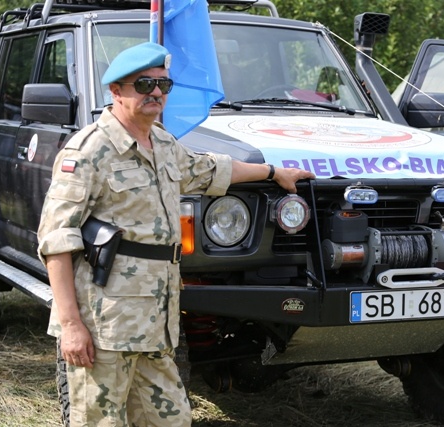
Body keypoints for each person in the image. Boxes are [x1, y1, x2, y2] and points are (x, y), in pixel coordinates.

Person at [37, 42, 314, 427]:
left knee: (172, 419)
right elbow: (56, 241)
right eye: (144, 84)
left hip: (157, 323)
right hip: (107, 326)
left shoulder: (164, 144)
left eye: (163, 86)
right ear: (116, 91)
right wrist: (70, 326)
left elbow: (210, 169)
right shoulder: (88, 151)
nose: (155, 93)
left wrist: (272, 172)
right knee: (98, 422)